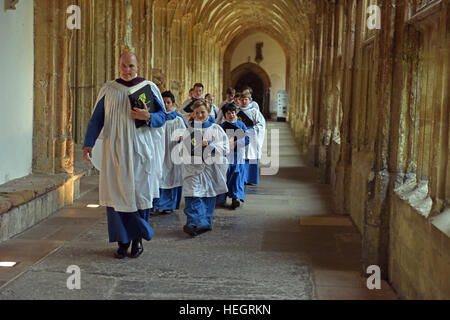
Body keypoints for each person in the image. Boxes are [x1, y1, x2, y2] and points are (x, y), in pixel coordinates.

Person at [82, 51, 167, 259]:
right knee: (117, 194)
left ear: (137, 66)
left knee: (139, 195)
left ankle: (137, 240)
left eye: (131, 66)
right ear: (118, 66)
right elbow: (96, 120)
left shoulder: (148, 88)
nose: (127, 70)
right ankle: (123, 241)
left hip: (141, 150)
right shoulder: (109, 89)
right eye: (123, 66)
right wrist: (88, 143)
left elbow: (163, 117)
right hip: (116, 150)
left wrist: (148, 116)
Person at [181, 99, 229, 237]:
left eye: (203, 112)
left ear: (208, 112)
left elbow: (225, 148)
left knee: (207, 195)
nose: (200, 115)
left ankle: (204, 223)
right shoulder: (189, 130)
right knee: (193, 195)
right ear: (193, 114)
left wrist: (210, 145)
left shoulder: (216, 129)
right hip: (192, 167)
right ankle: (192, 222)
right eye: (197, 113)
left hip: (210, 168)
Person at [152, 91, 188, 215]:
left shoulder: (178, 119)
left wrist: (182, 137)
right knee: (158, 175)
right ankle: (155, 204)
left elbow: (186, 133)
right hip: (158, 152)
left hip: (173, 152)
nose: (166, 105)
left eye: (168, 102)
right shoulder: (155, 117)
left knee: (172, 176)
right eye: (163, 102)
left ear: (173, 103)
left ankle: (169, 204)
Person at [217, 104, 250, 209]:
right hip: (225, 156)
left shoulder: (241, 125)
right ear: (224, 115)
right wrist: (226, 143)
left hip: (237, 156)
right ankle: (221, 197)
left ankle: (235, 198)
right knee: (224, 176)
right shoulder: (221, 127)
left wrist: (236, 143)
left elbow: (247, 139)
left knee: (236, 176)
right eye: (228, 113)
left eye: (233, 112)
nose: (231, 115)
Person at [239, 90, 266, 185]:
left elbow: (261, 124)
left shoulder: (254, 112)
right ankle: (242, 178)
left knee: (251, 157)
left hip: (252, 139)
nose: (243, 101)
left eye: (245, 99)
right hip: (239, 138)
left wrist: (252, 129)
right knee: (240, 157)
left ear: (250, 100)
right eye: (241, 99)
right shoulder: (236, 111)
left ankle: (250, 179)